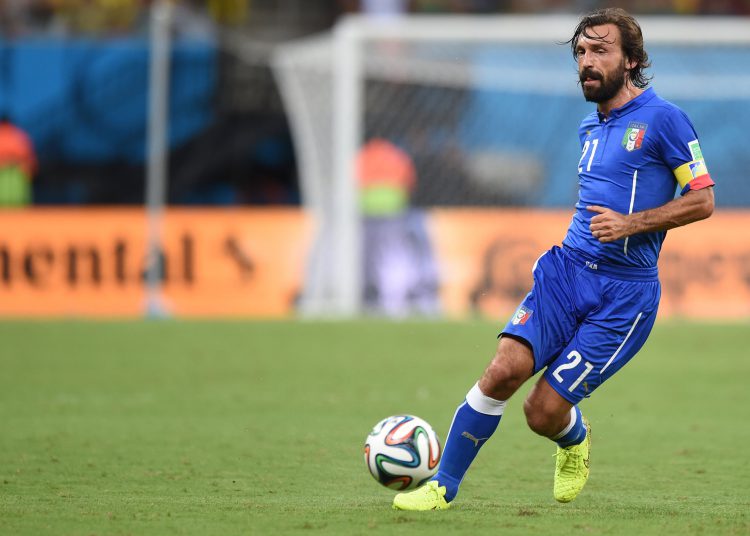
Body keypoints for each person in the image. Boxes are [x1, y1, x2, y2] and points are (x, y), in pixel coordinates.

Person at [392, 7, 715, 510]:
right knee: (502, 370)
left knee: (541, 411)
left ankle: (574, 440)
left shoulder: (665, 119)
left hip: (624, 297)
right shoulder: (590, 126)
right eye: (581, 52)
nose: (587, 61)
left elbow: (703, 199)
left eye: (600, 50)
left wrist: (630, 224)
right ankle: (440, 487)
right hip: (565, 273)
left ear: (631, 61)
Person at [0, 114, 37, 206]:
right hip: (17, 174)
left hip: (13, 173)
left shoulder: (18, 135)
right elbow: (29, 158)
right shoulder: (19, 135)